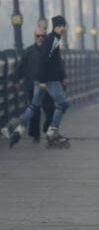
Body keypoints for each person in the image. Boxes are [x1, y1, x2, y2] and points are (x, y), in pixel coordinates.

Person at [8, 16, 71, 147]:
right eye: (59, 26)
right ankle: (52, 132)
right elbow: (44, 60)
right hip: (48, 79)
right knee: (63, 103)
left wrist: (61, 76)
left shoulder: (53, 39)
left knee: (34, 105)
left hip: (41, 79)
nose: (62, 28)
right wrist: (43, 80)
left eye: (64, 26)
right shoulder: (53, 40)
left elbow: (55, 61)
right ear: (54, 27)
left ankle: (19, 130)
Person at [10, 28, 57, 144]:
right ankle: (35, 135)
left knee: (50, 110)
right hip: (32, 85)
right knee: (34, 111)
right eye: (38, 36)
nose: (40, 38)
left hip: (47, 86)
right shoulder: (28, 51)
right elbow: (20, 67)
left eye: (43, 36)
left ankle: (47, 130)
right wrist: (16, 80)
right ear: (34, 37)